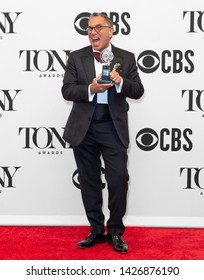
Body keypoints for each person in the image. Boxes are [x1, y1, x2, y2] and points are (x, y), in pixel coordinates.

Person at [62, 12, 144, 254]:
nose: (92, 32)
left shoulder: (126, 58)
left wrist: (120, 82)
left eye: (98, 27)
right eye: (89, 28)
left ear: (111, 30)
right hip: (83, 129)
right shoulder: (76, 57)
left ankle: (116, 232)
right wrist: (91, 88)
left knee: (118, 179)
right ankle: (96, 230)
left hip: (112, 127)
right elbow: (67, 90)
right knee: (89, 182)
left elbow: (138, 90)